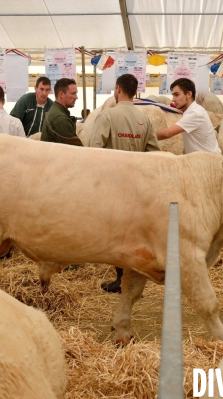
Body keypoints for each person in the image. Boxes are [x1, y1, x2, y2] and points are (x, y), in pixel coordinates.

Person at [88, 74, 161, 293]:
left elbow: (93, 151)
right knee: (133, 234)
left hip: (112, 185)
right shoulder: (145, 120)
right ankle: (132, 279)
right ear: (135, 92)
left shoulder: (107, 116)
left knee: (115, 236)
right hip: (137, 187)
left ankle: (121, 279)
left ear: (117, 88)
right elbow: (155, 154)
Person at [155, 78, 221, 154]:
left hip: (208, 161)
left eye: (177, 95)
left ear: (189, 94)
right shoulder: (190, 111)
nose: (173, 99)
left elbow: (167, 133)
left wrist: (145, 135)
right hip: (201, 159)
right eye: (173, 95)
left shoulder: (195, 113)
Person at [40, 78, 82, 146]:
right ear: (61, 94)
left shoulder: (55, 111)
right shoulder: (60, 119)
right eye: (73, 93)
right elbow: (78, 150)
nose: (76, 97)